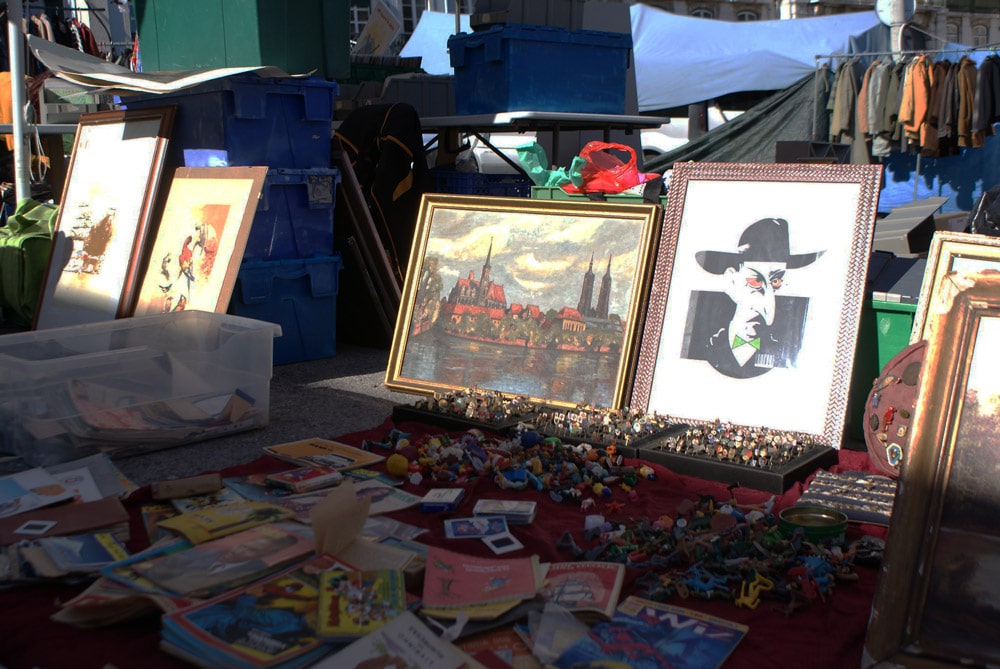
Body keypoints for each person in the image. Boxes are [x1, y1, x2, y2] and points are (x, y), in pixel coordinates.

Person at [682, 217, 824, 379]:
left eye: (776, 282)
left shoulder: (788, 352)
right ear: (731, 280)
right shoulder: (701, 343)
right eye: (755, 281)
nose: (767, 301)